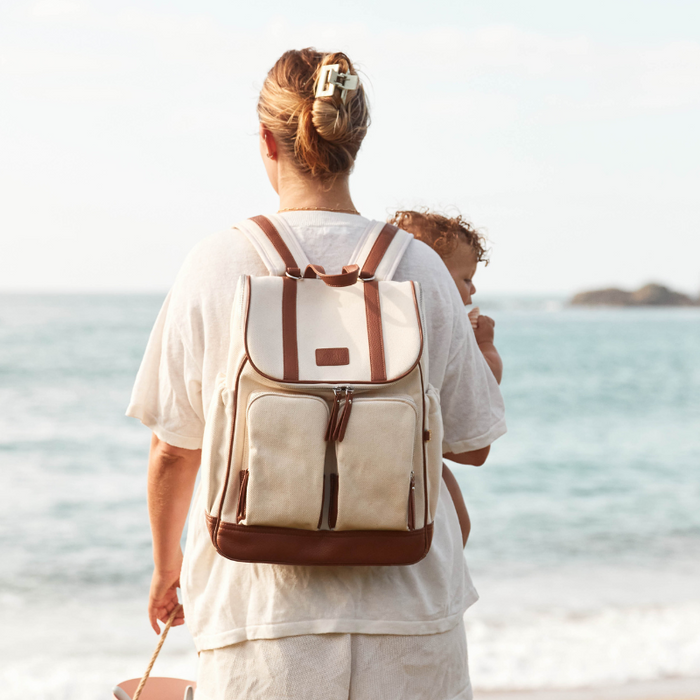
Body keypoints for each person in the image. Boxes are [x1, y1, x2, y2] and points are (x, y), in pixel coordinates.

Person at [126, 48, 506, 700]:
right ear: (356, 139)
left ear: (268, 140)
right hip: (410, 618)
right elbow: (470, 445)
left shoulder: (216, 263)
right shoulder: (421, 268)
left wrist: (168, 567)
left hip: (259, 622)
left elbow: (173, 448)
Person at [388, 210, 504, 547]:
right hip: (423, 452)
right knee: (458, 522)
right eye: (466, 279)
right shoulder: (454, 328)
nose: (473, 289)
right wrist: (485, 345)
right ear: (434, 273)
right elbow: (485, 383)